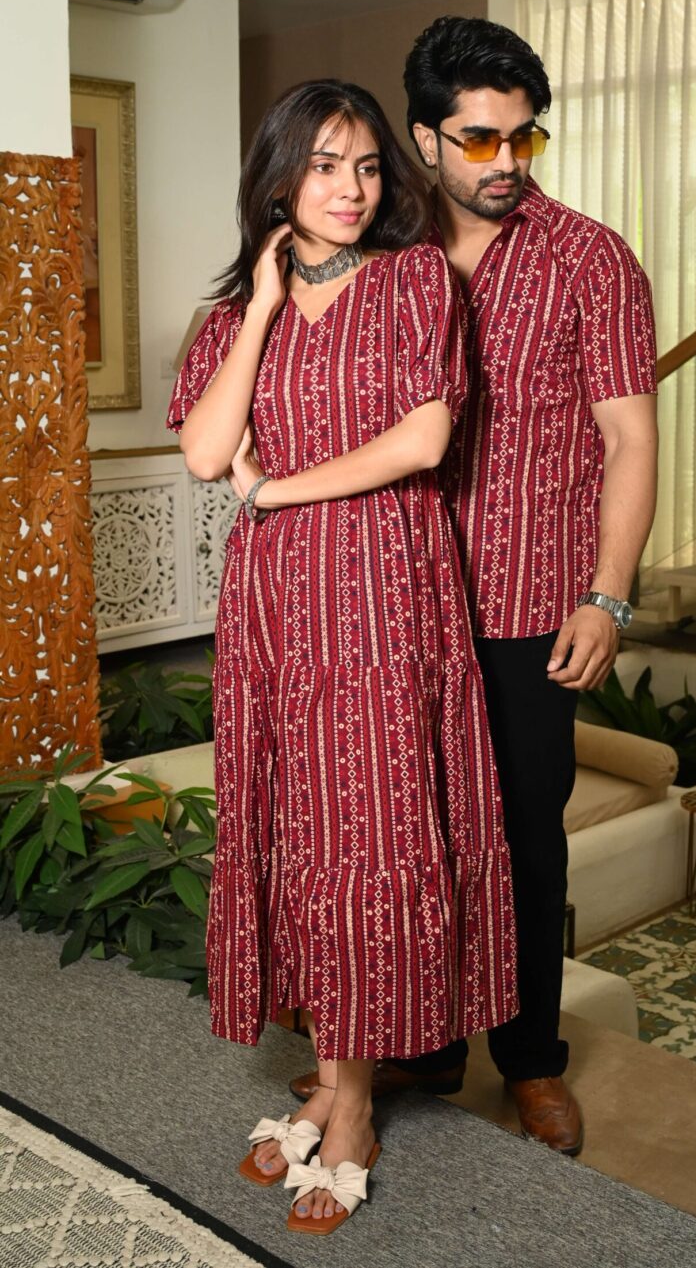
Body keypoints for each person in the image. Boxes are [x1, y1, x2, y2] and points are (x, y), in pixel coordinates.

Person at [290, 19, 659, 1155]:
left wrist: (606, 595)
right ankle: (428, 1042)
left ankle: (531, 1058)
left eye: (523, 137)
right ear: (424, 137)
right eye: (480, 139)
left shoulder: (590, 259)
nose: (506, 161)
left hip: (529, 603)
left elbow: (630, 439)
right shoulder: (375, 249)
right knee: (414, 832)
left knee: (527, 835)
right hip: (391, 597)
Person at [167, 79, 517, 1235]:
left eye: (366, 167)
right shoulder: (237, 311)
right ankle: (327, 1078)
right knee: (300, 833)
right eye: (325, 165)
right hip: (275, 614)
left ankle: (353, 1105)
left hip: (380, 598)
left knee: (366, 835)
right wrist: (263, 306)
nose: (351, 189)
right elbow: (205, 450)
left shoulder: (417, 281)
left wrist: (275, 490)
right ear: (279, 178)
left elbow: (421, 439)